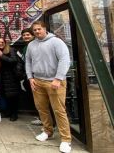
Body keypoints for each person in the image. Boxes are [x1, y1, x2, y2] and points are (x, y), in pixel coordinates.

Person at [26, 21, 72, 153]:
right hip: (37, 81)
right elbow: (28, 61)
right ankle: (47, 131)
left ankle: (66, 139)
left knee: (59, 110)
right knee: (42, 108)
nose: (37, 32)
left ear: (45, 29)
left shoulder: (56, 42)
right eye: (34, 30)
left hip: (54, 82)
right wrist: (30, 78)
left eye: (39, 29)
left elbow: (65, 60)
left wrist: (58, 78)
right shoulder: (31, 45)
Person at [0, 37, 20, 121]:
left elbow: (13, 60)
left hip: (11, 76)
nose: (0, 44)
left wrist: (1, 55)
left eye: (2, 42)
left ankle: (14, 114)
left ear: (5, 43)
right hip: (3, 77)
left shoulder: (10, 49)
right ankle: (8, 112)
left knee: (13, 96)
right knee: (6, 96)